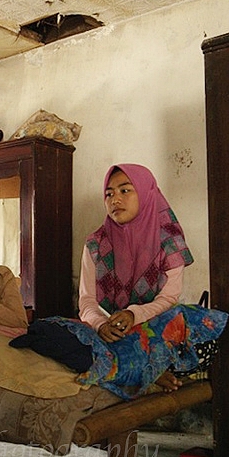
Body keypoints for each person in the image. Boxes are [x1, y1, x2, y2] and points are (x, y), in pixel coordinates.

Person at [78, 163, 195, 390]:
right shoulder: (96, 244)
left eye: (125, 190)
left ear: (146, 193)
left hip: (154, 325)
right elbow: (86, 301)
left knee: (188, 319)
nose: (115, 200)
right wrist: (101, 324)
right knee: (56, 330)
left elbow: (168, 299)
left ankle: (133, 367)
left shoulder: (170, 242)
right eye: (109, 193)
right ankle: (144, 369)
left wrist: (134, 314)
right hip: (110, 328)